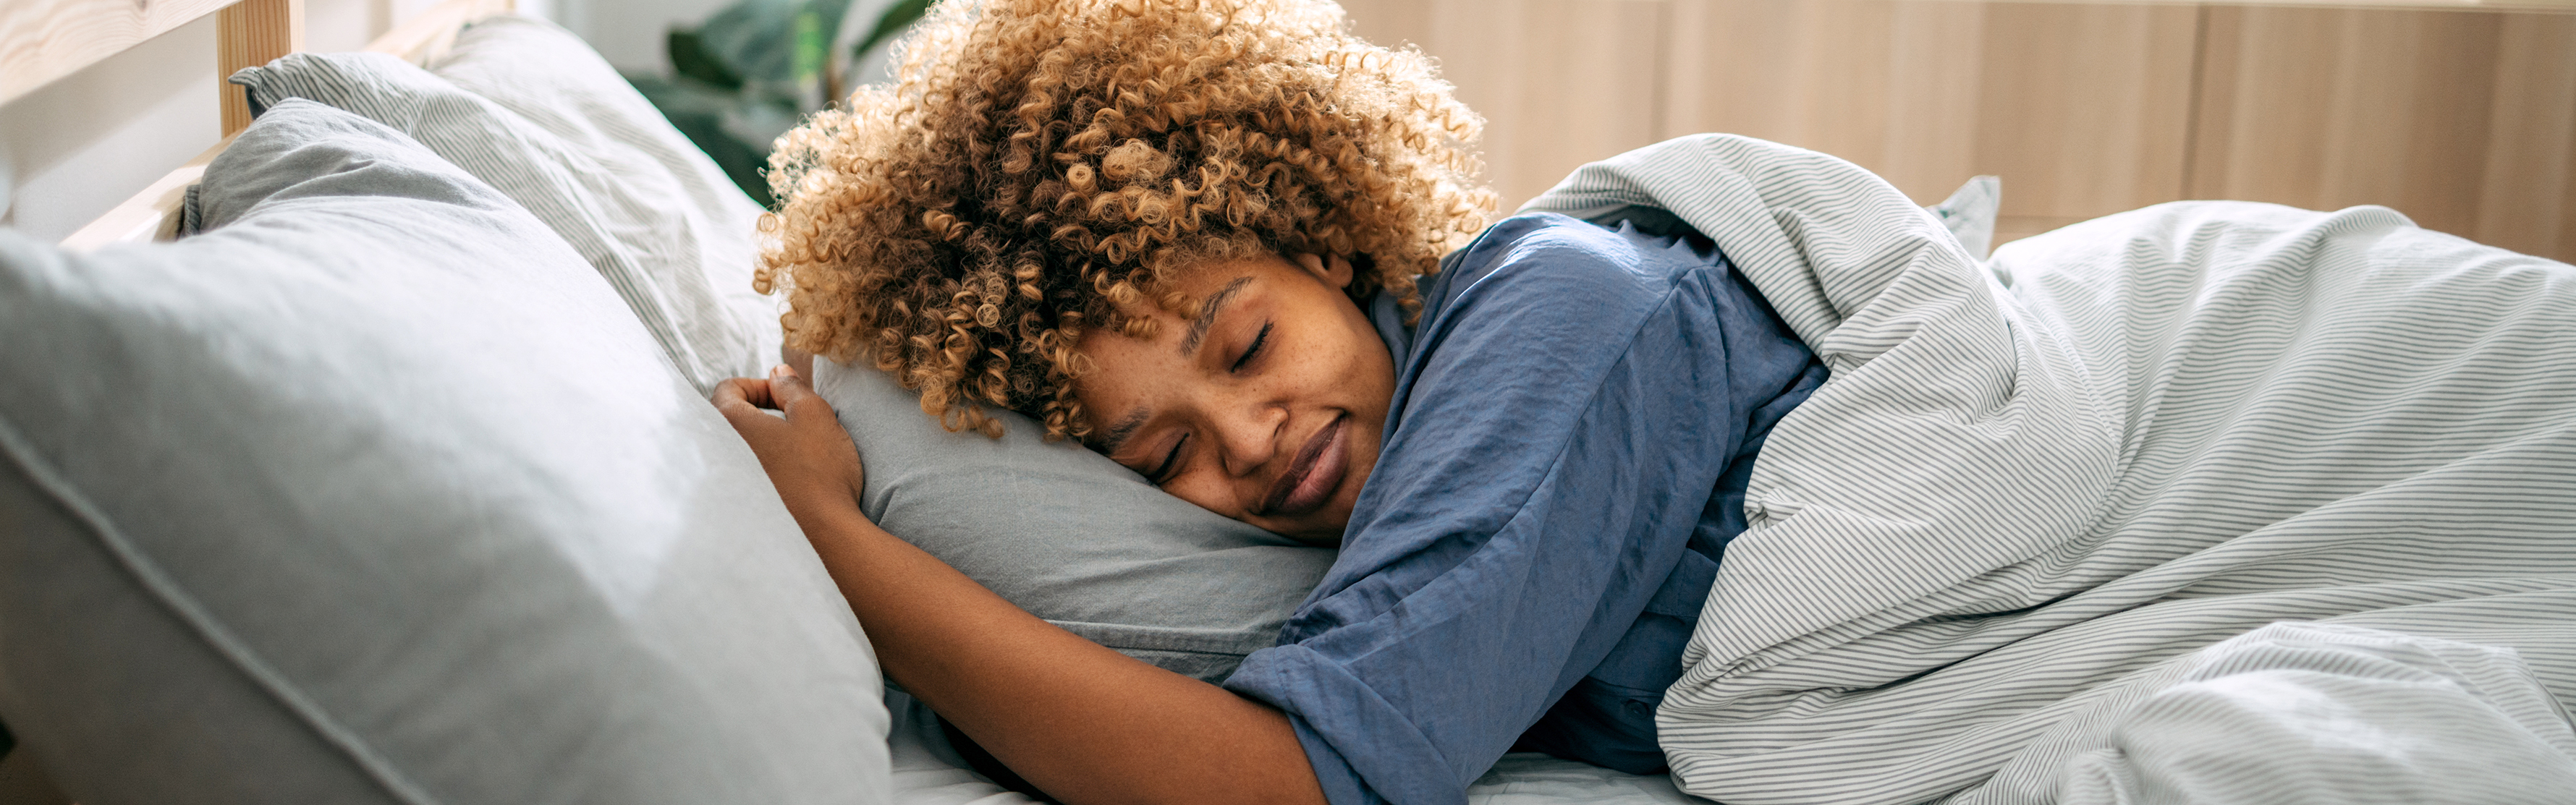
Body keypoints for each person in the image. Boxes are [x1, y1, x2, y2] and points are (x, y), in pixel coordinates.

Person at [713, 1, 1826, 803]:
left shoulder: (1553, 315)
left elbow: (1300, 782)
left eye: (1247, 345)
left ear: (1327, 244)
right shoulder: (1353, 524)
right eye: (1162, 459)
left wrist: (833, 538)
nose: (1249, 443)